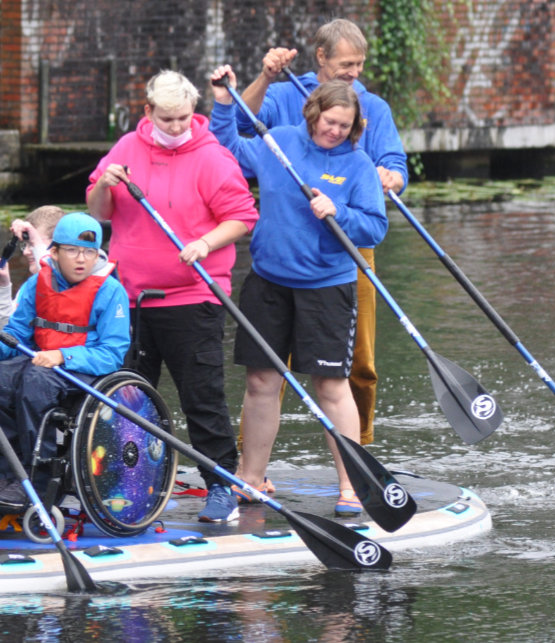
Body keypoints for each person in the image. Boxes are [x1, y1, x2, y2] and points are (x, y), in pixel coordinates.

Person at [208, 66, 388, 517]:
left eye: (345, 126)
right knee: (261, 381)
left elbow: (376, 227)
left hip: (327, 289)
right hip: (269, 282)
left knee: (330, 386)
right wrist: (223, 103)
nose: (335, 131)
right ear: (313, 115)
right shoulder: (280, 143)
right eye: (330, 122)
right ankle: (250, 479)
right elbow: (227, 146)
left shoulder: (357, 164)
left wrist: (340, 210)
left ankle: (352, 485)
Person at [85, 70, 259, 523]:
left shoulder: (213, 158)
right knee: (126, 397)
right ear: (148, 113)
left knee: (201, 397)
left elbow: (242, 217)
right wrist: (106, 183)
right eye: (168, 119)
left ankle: (221, 485)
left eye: (183, 117)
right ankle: (123, 483)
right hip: (131, 299)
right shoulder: (126, 149)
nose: (177, 126)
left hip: (192, 297)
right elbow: (99, 211)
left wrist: (205, 242)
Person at [237, 18, 408, 446]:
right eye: (346, 63)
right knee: (267, 370)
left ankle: (361, 452)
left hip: (347, 248)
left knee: (358, 363)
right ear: (321, 58)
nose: (354, 72)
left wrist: (388, 177)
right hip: (285, 242)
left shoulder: (375, 108)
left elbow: (397, 168)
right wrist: (264, 76)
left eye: (359, 64)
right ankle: (252, 462)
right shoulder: (282, 94)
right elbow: (240, 127)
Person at [0, 213, 130, 506]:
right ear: (54, 252)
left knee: (35, 382)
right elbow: (18, 337)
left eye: (89, 252)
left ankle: (38, 481)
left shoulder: (111, 291)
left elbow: (112, 354)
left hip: (85, 370)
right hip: (41, 362)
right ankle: (1, 475)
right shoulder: (36, 284)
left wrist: (62, 356)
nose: (82, 259)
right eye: (72, 250)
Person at [0, 205, 66, 320]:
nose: (25, 252)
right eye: (26, 244)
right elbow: (5, 329)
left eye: (32, 244)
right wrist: (3, 287)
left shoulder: (72, 284)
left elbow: (52, 281)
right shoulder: (28, 287)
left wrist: (36, 243)